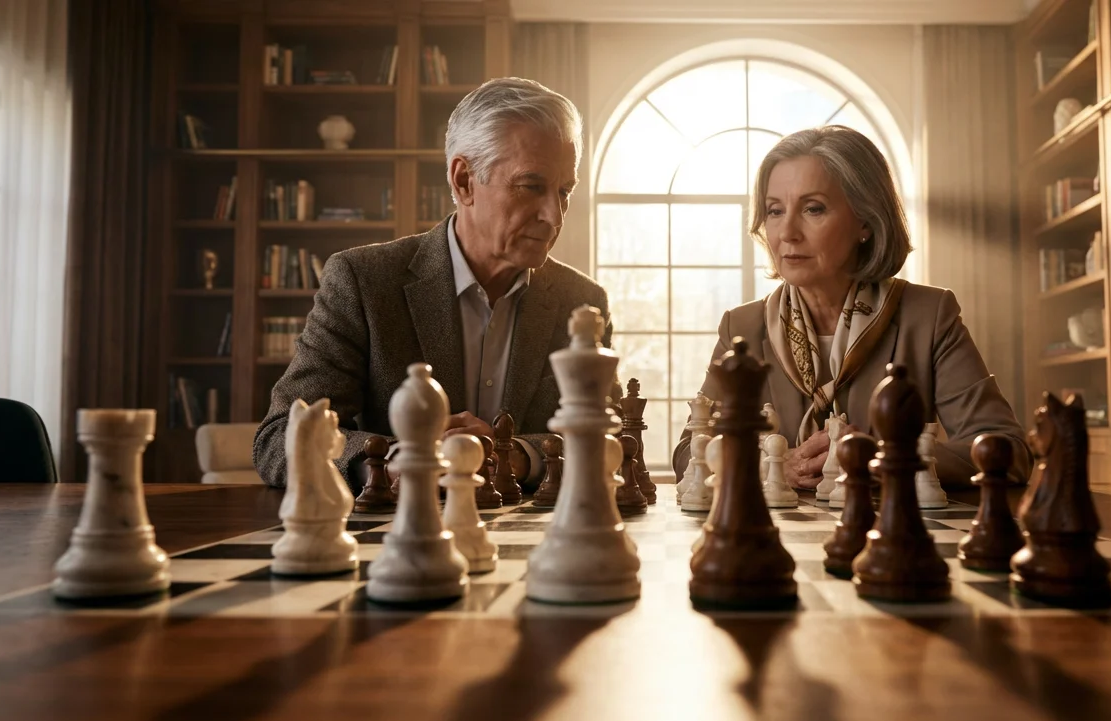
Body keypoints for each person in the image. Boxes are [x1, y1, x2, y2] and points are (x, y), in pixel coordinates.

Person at [254, 77, 609, 491]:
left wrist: (514, 456)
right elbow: (279, 439)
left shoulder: (583, 303)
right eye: (532, 187)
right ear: (463, 181)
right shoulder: (363, 282)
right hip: (389, 546)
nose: (555, 214)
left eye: (565, 191)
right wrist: (399, 460)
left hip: (534, 547)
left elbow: (613, 442)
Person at [671, 125, 1031, 488]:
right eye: (775, 211)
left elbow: (1010, 453)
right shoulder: (741, 326)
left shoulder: (928, 315)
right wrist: (773, 463)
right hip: (772, 541)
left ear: (866, 221)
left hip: (890, 538)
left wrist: (878, 457)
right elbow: (688, 453)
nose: (787, 232)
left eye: (813, 209)